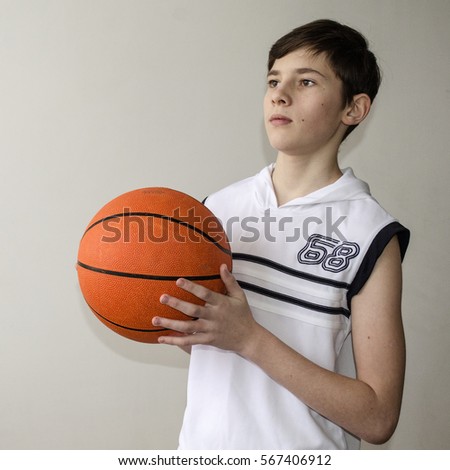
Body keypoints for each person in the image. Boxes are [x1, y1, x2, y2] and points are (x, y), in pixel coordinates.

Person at [151, 19, 410, 449]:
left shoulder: (372, 235)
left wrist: (250, 339)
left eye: (306, 81)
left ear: (354, 109)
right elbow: (212, 346)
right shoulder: (216, 209)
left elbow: (379, 417)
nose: (280, 93)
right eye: (274, 80)